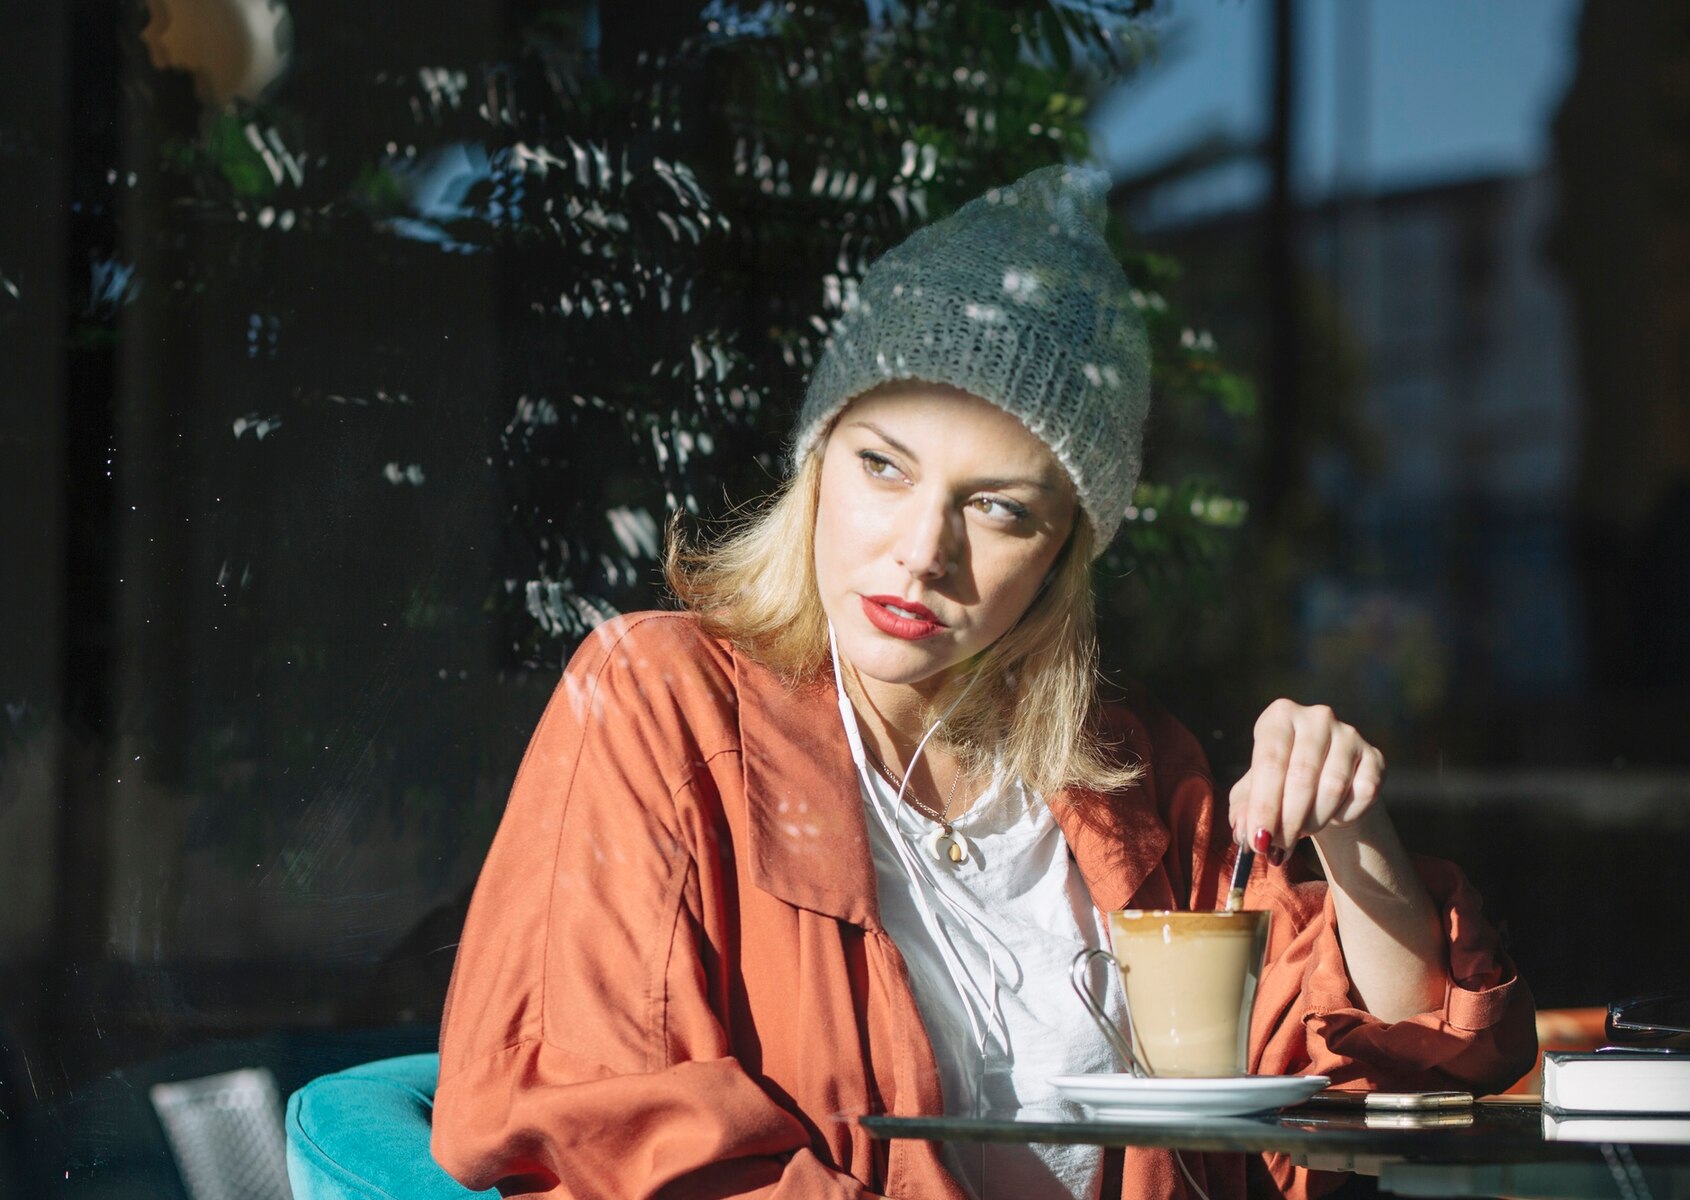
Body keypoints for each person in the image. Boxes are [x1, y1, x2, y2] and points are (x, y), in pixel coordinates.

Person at [431, 165, 1536, 1200]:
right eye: (883, 467)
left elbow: (1405, 1088)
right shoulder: (662, 700)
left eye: (998, 508)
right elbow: (606, 1126)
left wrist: (1354, 836)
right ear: (819, 463)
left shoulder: (1134, 782)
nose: (922, 551)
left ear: (1064, 553)